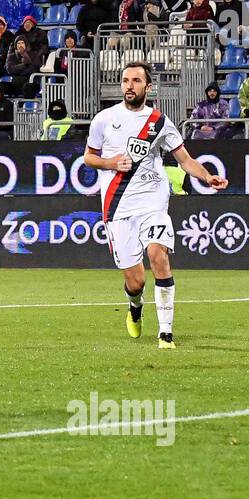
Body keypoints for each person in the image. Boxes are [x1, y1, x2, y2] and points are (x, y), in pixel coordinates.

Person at [83, 62, 228, 349]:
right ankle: (135, 307)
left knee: (158, 255)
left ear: (148, 87)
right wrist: (111, 163)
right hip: (117, 206)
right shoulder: (103, 119)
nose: (129, 86)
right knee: (135, 281)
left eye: (136, 81)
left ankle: (166, 333)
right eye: (125, 80)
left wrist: (207, 177)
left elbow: (185, 160)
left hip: (152, 201)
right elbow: (89, 157)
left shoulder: (160, 123)